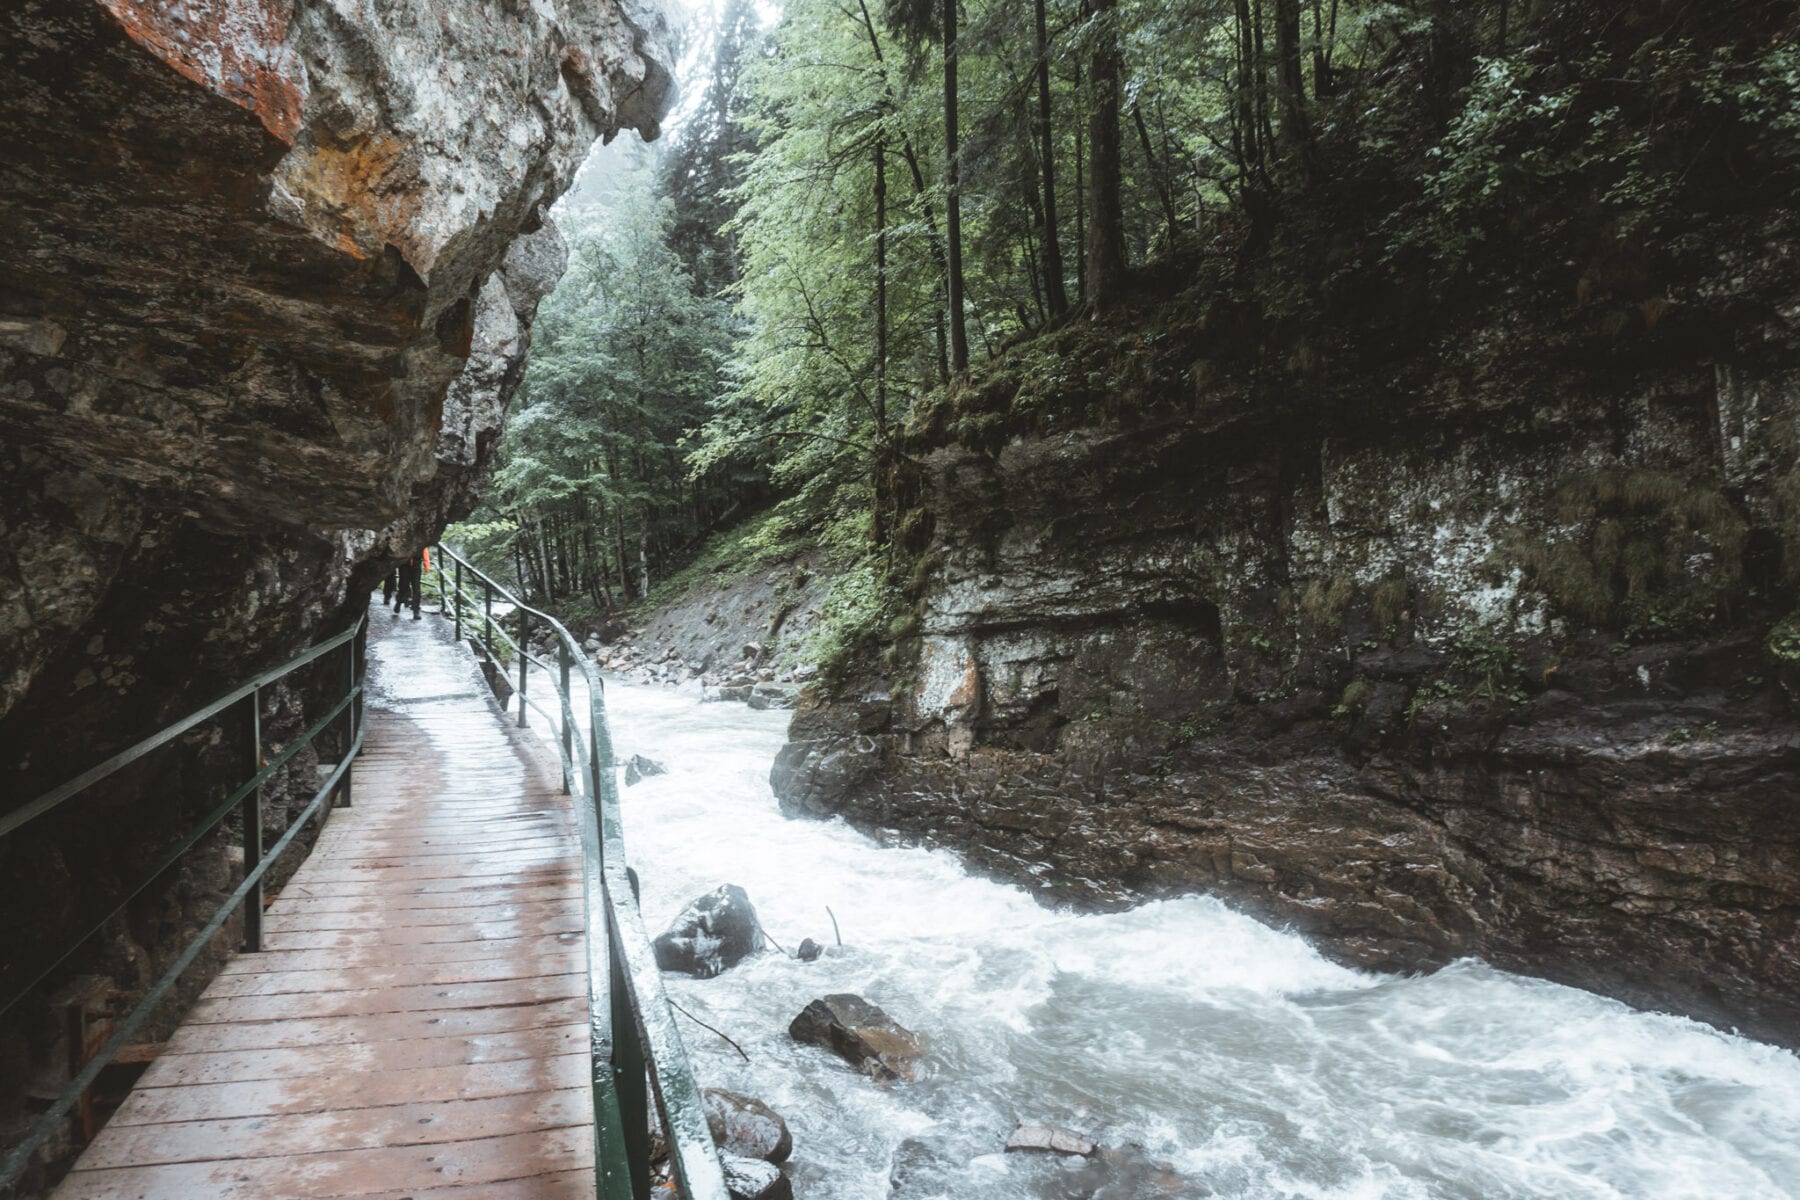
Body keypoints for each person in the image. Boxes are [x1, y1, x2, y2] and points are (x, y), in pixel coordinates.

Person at [396, 550, 424, 620]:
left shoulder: (420, 540)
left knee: (416, 588)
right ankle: (399, 602)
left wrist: (426, 564)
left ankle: (416, 611)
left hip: (416, 565)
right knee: (403, 586)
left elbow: (424, 550)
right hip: (404, 564)